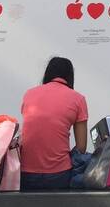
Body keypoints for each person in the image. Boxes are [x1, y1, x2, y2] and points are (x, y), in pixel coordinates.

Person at [19, 57, 88, 190]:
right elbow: (81, 147)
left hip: (26, 173)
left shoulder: (29, 94)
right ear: (70, 76)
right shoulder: (78, 99)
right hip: (59, 174)